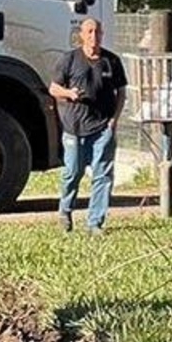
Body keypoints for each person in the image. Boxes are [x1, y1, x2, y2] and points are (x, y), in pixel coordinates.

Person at [48, 17, 127, 233]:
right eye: (89, 32)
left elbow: (121, 92)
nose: (94, 36)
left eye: (98, 32)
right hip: (74, 128)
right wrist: (69, 93)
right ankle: (65, 210)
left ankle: (95, 223)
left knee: (103, 175)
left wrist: (114, 121)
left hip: (103, 128)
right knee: (73, 172)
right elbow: (53, 88)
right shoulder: (69, 60)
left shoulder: (112, 61)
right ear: (81, 35)